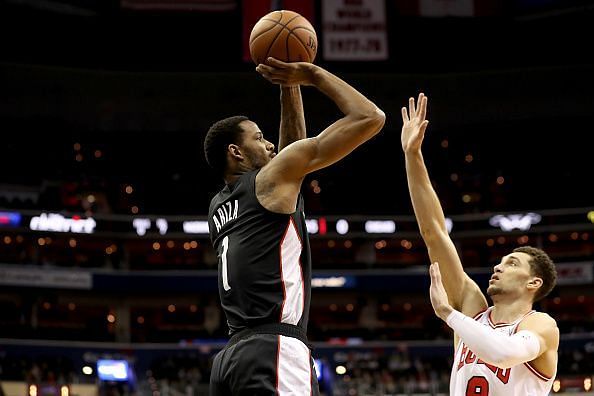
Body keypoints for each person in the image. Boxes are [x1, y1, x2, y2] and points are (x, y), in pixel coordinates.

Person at [204, 57, 385, 395]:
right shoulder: (268, 182)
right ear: (236, 153)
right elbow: (370, 117)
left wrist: (289, 86)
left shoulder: (218, 206)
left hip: (231, 358)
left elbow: (290, 159)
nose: (270, 144)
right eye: (259, 138)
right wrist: (310, 75)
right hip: (274, 350)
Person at [401, 93, 559, 395]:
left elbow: (504, 353)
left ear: (534, 282)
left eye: (512, 263)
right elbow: (434, 231)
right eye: (501, 261)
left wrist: (448, 314)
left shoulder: (541, 325)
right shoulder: (472, 307)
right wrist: (412, 156)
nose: (498, 266)